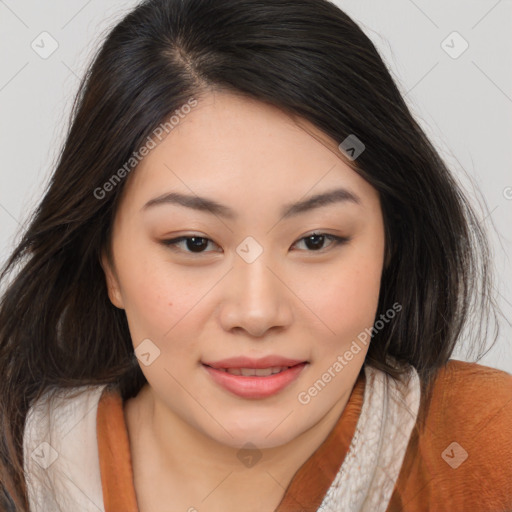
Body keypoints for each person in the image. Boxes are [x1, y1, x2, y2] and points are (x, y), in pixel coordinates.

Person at [0, 0, 510, 511]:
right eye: (194, 243)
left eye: (315, 240)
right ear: (108, 262)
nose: (257, 312)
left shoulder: (489, 447)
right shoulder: (21, 472)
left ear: (390, 245)